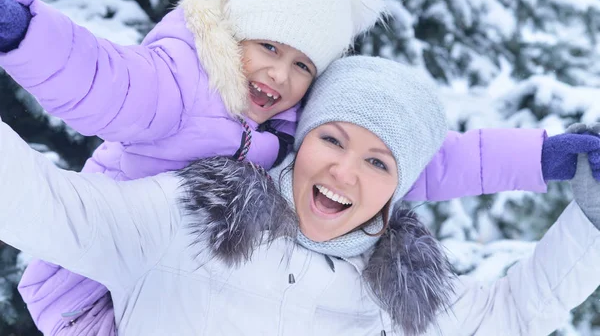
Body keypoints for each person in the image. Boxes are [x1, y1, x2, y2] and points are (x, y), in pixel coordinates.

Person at [0, 56, 598, 335]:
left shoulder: (406, 299)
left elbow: (514, 314)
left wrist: (593, 225)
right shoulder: (186, 219)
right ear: (301, 139)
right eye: (331, 139)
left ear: (398, 186)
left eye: (377, 161)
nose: (343, 172)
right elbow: (41, 206)